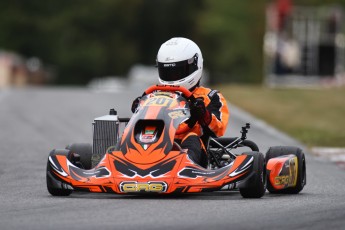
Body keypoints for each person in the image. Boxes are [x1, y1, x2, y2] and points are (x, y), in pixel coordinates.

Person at [131, 37, 229, 168]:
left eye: (178, 72)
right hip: (156, 142)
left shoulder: (210, 96)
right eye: (168, 73)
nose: (172, 78)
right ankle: (122, 162)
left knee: (192, 137)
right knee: (131, 135)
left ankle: (185, 167)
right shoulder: (153, 95)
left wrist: (203, 114)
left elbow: (218, 129)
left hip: (190, 148)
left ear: (195, 65)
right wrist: (140, 107)